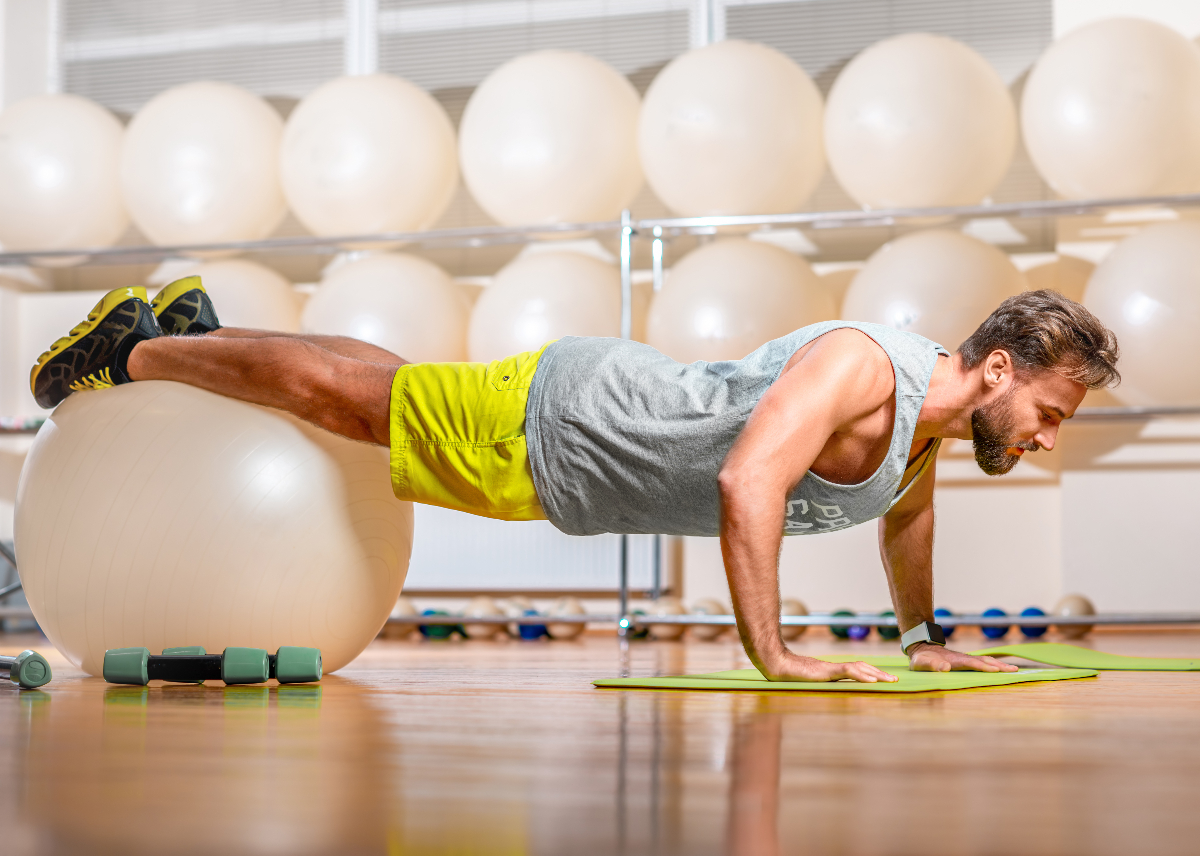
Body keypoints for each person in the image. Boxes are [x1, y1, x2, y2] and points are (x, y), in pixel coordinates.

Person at [30, 278, 1119, 684]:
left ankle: (188, 328)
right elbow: (749, 483)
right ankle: (131, 352)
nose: (1045, 439)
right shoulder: (864, 365)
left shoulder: (927, 432)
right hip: (575, 424)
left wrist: (919, 635)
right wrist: (776, 655)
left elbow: (905, 526)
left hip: (575, 455)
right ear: (996, 369)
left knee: (382, 387)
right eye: (1049, 416)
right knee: (348, 405)